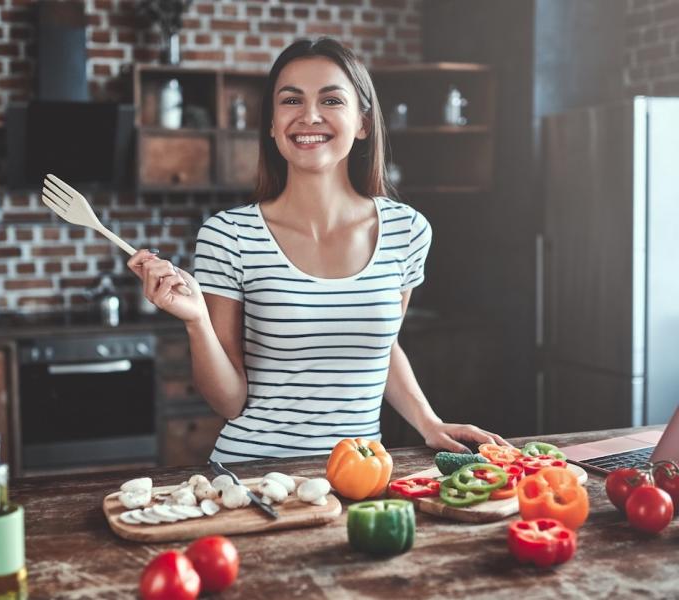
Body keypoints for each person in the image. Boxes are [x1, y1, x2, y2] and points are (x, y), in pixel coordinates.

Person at [128, 38, 508, 462]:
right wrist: (197, 321)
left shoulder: (407, 230)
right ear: (272, 124)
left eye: (331, 99)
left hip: (361, 477)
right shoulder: (228, 235)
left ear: (363, 122)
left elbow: (383, 346)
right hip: (255, 477)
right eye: (291, 100)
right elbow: (229, 403)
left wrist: (428, 421)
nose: (309, 115)